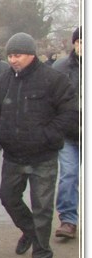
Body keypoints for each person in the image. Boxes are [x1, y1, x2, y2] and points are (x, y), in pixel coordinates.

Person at [0, 33, 78, 258]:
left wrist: (48, 135)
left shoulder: (52, 79)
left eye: (17, 55)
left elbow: (69, 111)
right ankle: (29, 231)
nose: (13, 60)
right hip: (14, 154)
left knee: (42, 208)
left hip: (43, 156)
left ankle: (42, 254)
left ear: (31, 54)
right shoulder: (3, 80)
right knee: (8, 197)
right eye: (10, 56)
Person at [52, 27, 81, 239]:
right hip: (69, 133)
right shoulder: (61, 68)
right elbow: (50, 98)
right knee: (69, 175)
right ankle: (68, 220)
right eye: (80, 41)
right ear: (74, 43)